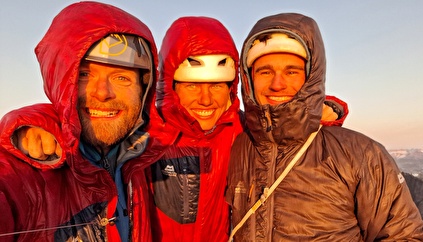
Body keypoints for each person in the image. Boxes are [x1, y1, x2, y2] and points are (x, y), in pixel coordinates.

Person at [5, 15, 348, 242]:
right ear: (168, 84)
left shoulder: (242, 131)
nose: (206, 98)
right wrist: (39, 120)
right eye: (191, 84)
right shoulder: (145, 137)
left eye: (217, 85)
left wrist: (321, 108)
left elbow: (280, 118)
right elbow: (86, 126)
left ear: (232, 88)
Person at [226, 12, 423, 241]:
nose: (277, 84)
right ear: (249, 78)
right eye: (265, 72)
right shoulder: (237, 146)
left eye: (291, 71)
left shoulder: (361, 153)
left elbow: (404, 236)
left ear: (311, 77)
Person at [0, 2, 164, 241]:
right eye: (85, 75)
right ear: (58, 79)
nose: (102, 93)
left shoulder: (141, 158)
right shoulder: (19, 174)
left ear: (144, 89)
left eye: (121, 77)